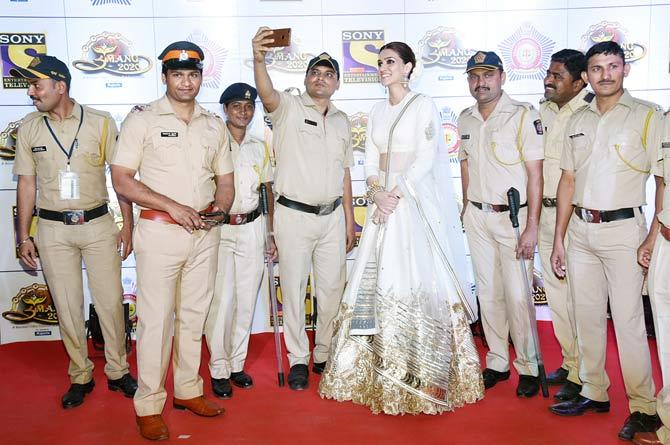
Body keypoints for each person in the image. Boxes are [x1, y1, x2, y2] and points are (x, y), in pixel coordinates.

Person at [317, 41, 483, 415]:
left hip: (413, 202)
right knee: (375, 275)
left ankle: (425, 373)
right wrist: (376, 192)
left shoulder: (422, 104)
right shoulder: (376, 110)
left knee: (414, 275)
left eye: (390, 62)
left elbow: (428, 156)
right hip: (384, 205)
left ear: (409, 67)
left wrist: (396, 192)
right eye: (380, 62)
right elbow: (370, 158)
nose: (383, 67)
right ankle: (369, 370)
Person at [111, 41, 235, 441]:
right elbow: (122, 179)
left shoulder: (214, 124)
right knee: (156, 322)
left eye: (193, 74)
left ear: (201, 77)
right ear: (164, 77)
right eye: (178, 74)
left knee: (194, 318)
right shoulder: (142, 120)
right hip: (160, 232)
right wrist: (174, 207)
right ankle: (148, 404)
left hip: (204, 234)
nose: (186, 81)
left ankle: (187, 390)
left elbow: (227, 182)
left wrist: (219, 206)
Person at [549, 41, 663, 441]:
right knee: (587, 316)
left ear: (625, 69)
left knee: (630, 323)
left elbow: (663, 179)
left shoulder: (648, 116)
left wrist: (653, 233)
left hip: (624, 233)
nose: (605, 75)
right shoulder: (578, 119)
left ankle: (644, 407)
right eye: (597, 68)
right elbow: (567, 180)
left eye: (612, 67)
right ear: (588, 75)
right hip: (580, 231)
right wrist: (559, 239)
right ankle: (594, 391)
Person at [12, 54, 137, 410]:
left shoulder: (100, 122)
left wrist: (127, 225)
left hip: (98, 224)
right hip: (52, 229)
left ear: (60, 85)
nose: (31, 92)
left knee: (112, 302)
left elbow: (120, 178)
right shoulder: (30, 127)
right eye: (29, 86)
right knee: (67, 306)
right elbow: (26, 184)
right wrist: (23, 236)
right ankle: (80, 374)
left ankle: (117, 371)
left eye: (36, 85)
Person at [252, 27, 356, 391]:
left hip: (332, 219)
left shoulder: (343, 121)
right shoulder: (289, 108)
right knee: (294, 290)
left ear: (337, 84)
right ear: (306, 78)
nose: (321, 78)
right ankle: (298, 357)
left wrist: (350, 220)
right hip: (293, 215)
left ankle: (324, 352)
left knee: (331, 291)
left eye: (329, 74)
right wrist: (259, 59)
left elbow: (345, 172)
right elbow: (265, 92)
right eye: (315, 72)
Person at [458, 50, 544, 398]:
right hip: (477, 215)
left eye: (488, 75)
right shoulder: (465, 118)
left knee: (518, 295)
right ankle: (497, 360)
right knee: (488, 291)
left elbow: (536, 175)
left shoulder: (523, 115)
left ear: (502, 77)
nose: (481, 82)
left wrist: (532, 225)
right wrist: (466, 208)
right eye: (475, 76)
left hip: (513, 216)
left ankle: (527, 363)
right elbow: (465, 166)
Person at [204, 82, 276, 399]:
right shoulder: (212, 143)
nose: (243, 112)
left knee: (246, 300)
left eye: (248, 107)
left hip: (252, 226)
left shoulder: (260, 147)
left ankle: (236, 365)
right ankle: (218, 369)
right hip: (220, 229)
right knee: (221, 302)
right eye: (236, 107)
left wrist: (270, 232)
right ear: (225, 110)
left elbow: (266, 191)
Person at [538, 49, 590, 402]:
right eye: (548, 73)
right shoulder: (541, 111)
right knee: (557, 296)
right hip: (542, 214)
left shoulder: (590, 111)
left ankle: (590, 376)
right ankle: (572, 366)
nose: (549, 80)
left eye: (557, 75)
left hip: (575, 217)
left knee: (581, 300)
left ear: (579, 80)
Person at [633, 111, 670, 445]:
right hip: (667, 240)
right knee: (667, 341)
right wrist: (652, 237)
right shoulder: (666, 120)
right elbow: (662, 183)